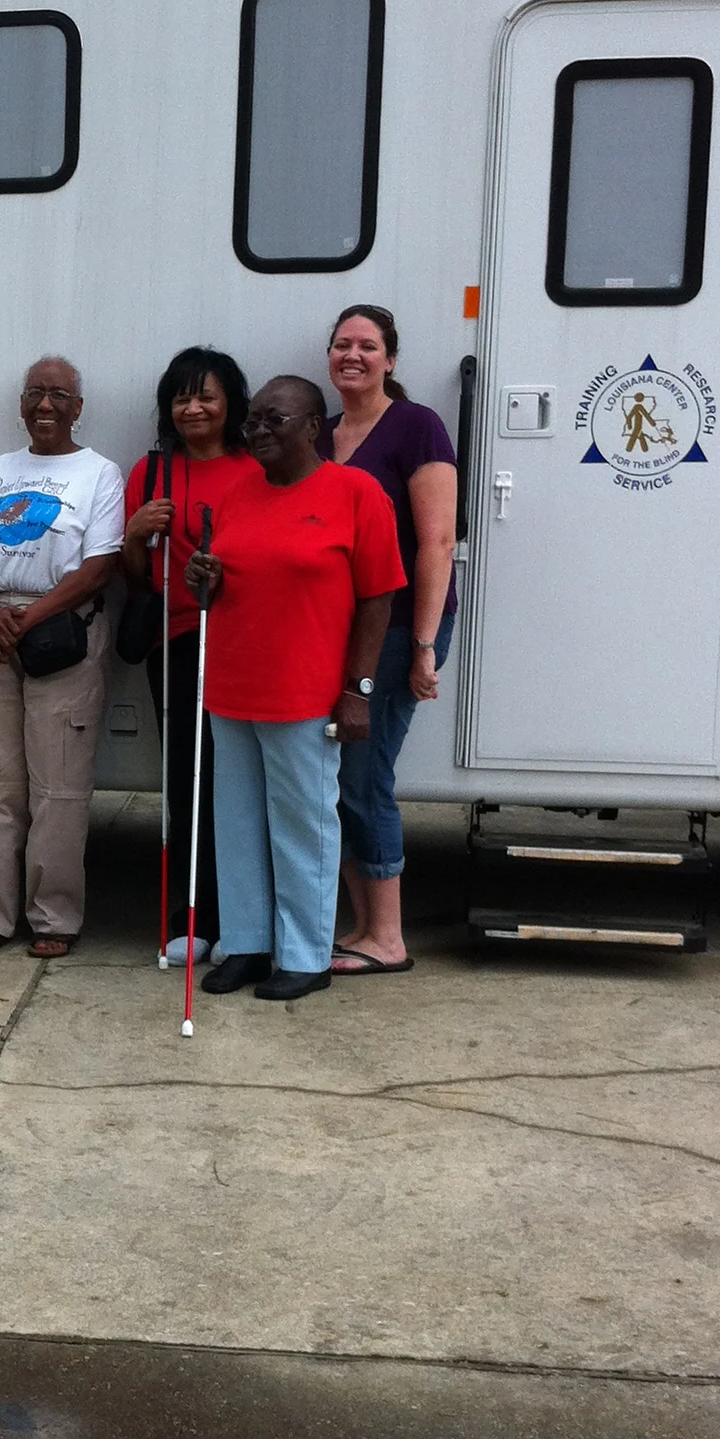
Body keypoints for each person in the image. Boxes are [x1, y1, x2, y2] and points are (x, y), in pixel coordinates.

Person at [186, 375, 403, 1002]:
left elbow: (378, 595)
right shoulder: (237, 492)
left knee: (303, 825)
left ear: (313, 426)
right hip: (231, 687)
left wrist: (359, 689)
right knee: (237, 822)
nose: (256, 431)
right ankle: (249, 946)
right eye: (252, 420)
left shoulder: (355, 492)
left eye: (272, 420)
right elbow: (218, 589)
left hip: (305, 695)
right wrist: (205, 578)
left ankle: (306, 955)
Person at [0, 356, 124, 960]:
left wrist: (29, 617)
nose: (45, 405)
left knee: (59, 786)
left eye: (59, 395)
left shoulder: (100, 473)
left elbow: (100, 564)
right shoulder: (0, 469)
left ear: (78, 407)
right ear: (21, 404)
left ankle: (54, 915)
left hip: (63, 633)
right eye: (35, 394)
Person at [316, 305, 460, 976]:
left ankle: (388, 938)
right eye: (342, 344)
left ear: (390, 360)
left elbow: (436, 541)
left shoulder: (416, 426)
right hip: (339, 632)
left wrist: (426, 644)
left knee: (365, 775)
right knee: (341, 775)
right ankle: (363, 926)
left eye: (367, 345)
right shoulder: (322, 434)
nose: (353, 354)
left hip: (400, 631)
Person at [118, 345, 255, 952]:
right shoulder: (153, 471)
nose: (193, 408)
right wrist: (135, 532)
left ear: (231, 404)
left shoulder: (257, 466)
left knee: (242, 779)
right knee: (188, 780)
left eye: (206, 396)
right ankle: (192, 916)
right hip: (176, 641)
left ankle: (247, 918)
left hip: (247, 641)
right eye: (181, 397)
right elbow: (134, 573)